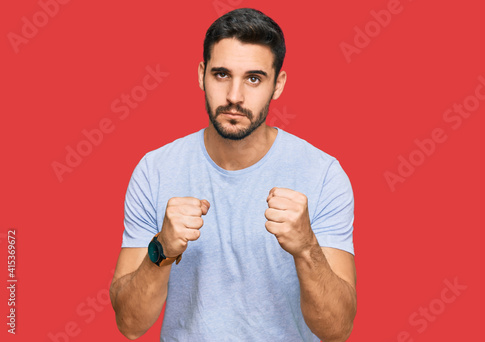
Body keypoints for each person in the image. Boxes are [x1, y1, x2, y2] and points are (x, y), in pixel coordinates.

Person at [110, 8, 357, 342]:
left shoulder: (323, 174)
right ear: (201, 74)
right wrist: (163, 248)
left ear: (278, 84)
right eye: (221, 74)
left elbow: (337, 329)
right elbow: (129, 323)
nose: (234, 96)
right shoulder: (154, 171)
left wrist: (306, 249)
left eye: (253, 78)